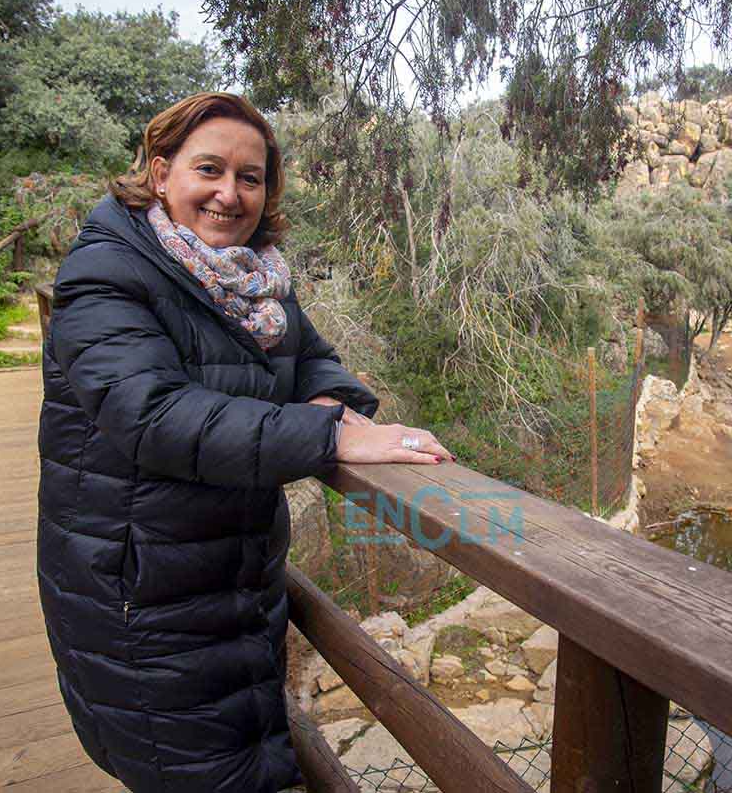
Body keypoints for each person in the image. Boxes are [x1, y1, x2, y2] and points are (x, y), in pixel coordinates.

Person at [37, 92, 452, 793]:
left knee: (240, 752)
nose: (230, 194)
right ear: (161, 171)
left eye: (250, 177)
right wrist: (328, 438)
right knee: (197, 767)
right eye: (209, 170)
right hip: (141, 587)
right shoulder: (106, 274)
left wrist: (332, 400)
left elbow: (311, 356)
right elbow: (152, 415)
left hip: (226, 574)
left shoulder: (254, 278)